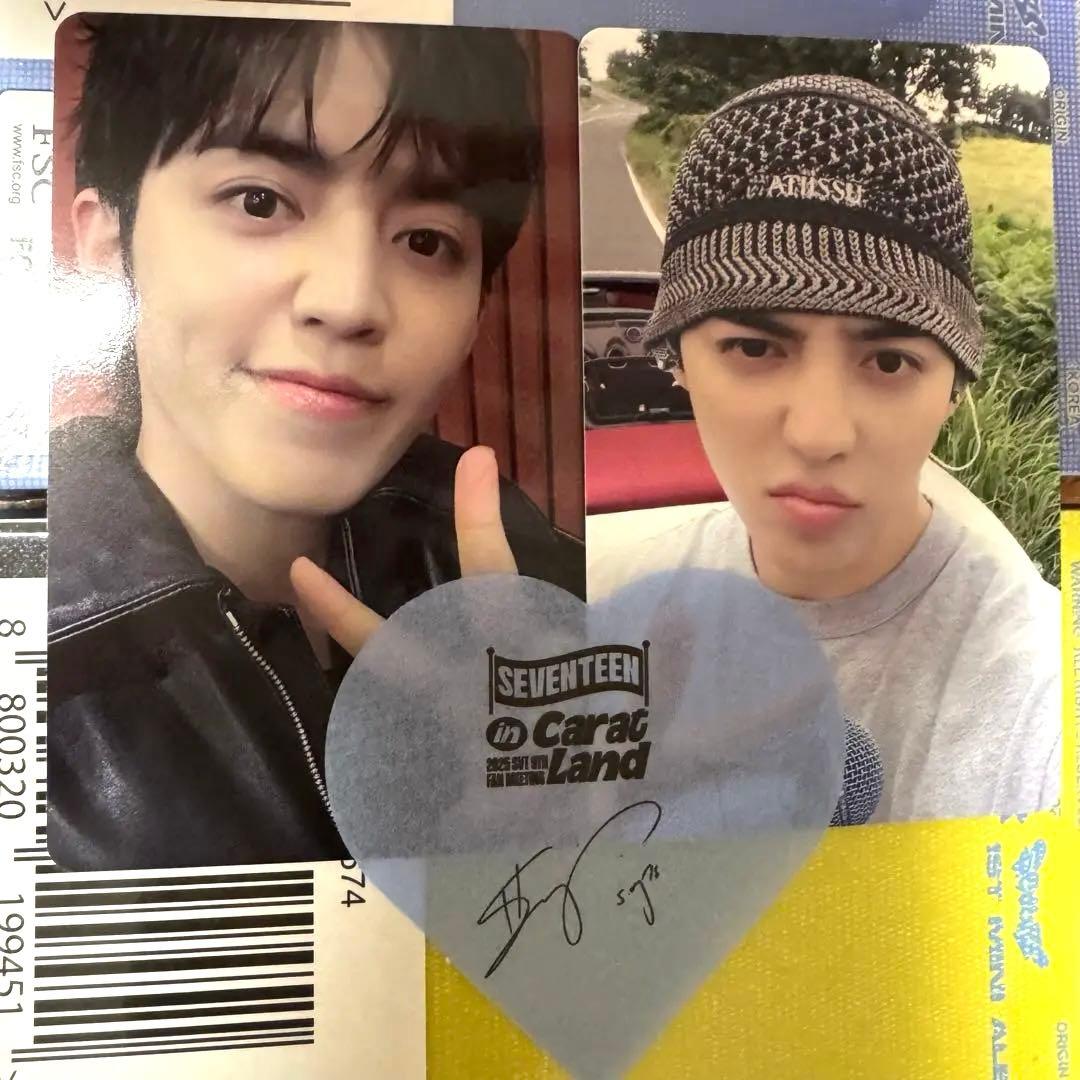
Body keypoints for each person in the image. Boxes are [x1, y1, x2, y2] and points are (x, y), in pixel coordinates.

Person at [48, 15, 583, 870]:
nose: (350, 301)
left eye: (426, 241)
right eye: (259, 201)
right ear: (109, 244)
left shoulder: (525, 577)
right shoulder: (40, 661)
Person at [587, 74, 1060, 823]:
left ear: (954, 387)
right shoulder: (604, 612)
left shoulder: (1039, 684)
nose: (819, 434)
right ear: (677, 360)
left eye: (889, 361)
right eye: (753, 348)